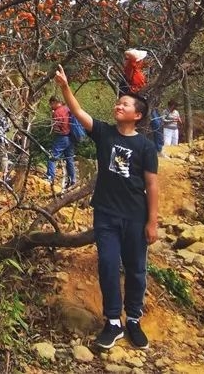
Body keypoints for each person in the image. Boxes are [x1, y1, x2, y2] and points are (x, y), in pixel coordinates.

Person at [55, 65, 158, 351]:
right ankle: (113, 322)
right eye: (118, 102)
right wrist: (65, 87)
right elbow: (79, 114)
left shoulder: (146, 147)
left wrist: (152, 221)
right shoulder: (104, 133)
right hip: (106, 215)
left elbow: (152, 185)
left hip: (136, 217)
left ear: (137, 115)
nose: (118, 105)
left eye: (124, 104)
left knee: (136, 269)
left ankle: (134, 319)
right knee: (109, 265)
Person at [46, 96, 77, 189]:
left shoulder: (57, 112)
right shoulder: (67, 109)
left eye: (51, 104)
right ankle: (73, 180)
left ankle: (50, 177)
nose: (51, 106)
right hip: (71, 137)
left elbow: (56, 128)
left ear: (55, 102)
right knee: (69, 159)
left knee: (52, 157)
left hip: (62, 137)